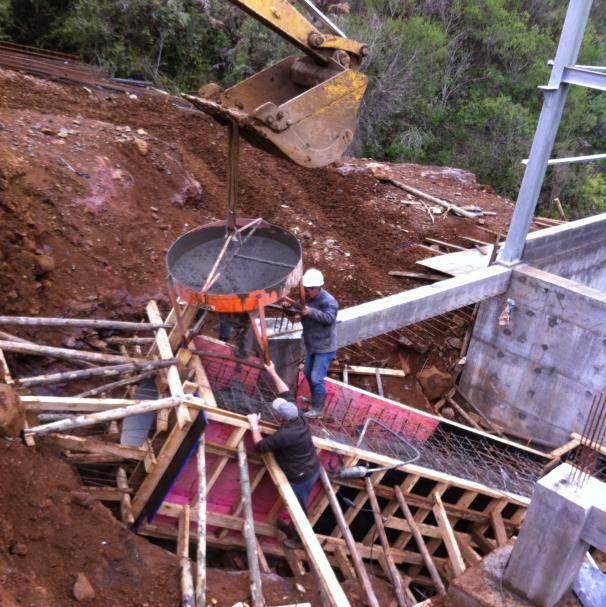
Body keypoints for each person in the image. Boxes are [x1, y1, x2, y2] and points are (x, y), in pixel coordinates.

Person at [247, 360, 321, 548]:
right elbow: (285, 391)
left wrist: (254, 425)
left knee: (298, 508)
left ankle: (298, 539)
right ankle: (290, 528)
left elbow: (260, 446)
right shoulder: (297, 415)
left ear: (282, 417)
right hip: (309, 466)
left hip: (302, 475)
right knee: (295, 505)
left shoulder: (287, 434)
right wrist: (272, 371)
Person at [299, 268, 338, 417]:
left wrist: (311, 312)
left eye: (309, 289)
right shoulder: (307, 298)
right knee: (308, 372)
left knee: (316, 377)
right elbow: (299, 308)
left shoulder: (329, 302)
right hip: (312, 344)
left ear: (317, 288)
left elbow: (329, 318)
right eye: (305, 289)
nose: (306, 292)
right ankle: (315, 400)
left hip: (325, 347)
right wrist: (289, 309)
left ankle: (318, 409)